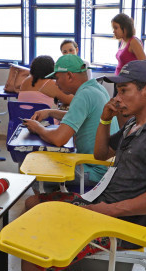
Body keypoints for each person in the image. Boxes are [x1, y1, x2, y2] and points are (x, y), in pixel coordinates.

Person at [21, 60, 146, 271]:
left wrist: (110, 210)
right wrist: (105, 119)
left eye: (124, 90)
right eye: (117, 91)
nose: (117, 98)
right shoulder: (133, 124)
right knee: (34, 204)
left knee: (32, 264)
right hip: (100, 202)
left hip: (119, 221)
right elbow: (101, 153)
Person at [23, 55, 118, 191]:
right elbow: (79, 116)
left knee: (37, 179)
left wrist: (37, 128)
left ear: (69, 75)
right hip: (106, 166)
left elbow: (58, 139)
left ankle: (57, 207)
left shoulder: (83, 95)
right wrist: (50, 112)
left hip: (95, 171)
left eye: (57, 78)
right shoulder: (96, 88)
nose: (55, 83)